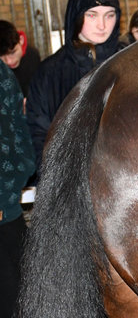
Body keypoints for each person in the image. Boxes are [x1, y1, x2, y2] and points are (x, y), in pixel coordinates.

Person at [26, 0, 121, 176]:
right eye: (92, 15)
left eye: (109, 15)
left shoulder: (129, 62)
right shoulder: (50, 72)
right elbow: (37, 133)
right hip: (69, 183)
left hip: (123, 182)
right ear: (76, 16)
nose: (102, 25)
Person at [0, 58, 35, 318]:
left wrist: (7, 194)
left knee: (23, 297)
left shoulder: (1, 73)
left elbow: (18, 129)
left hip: (7, 213)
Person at [0, 20, 40, 97]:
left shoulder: (32, 56)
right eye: (1, 56)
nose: (9, 61)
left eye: (12, 53)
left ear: (21, 40)